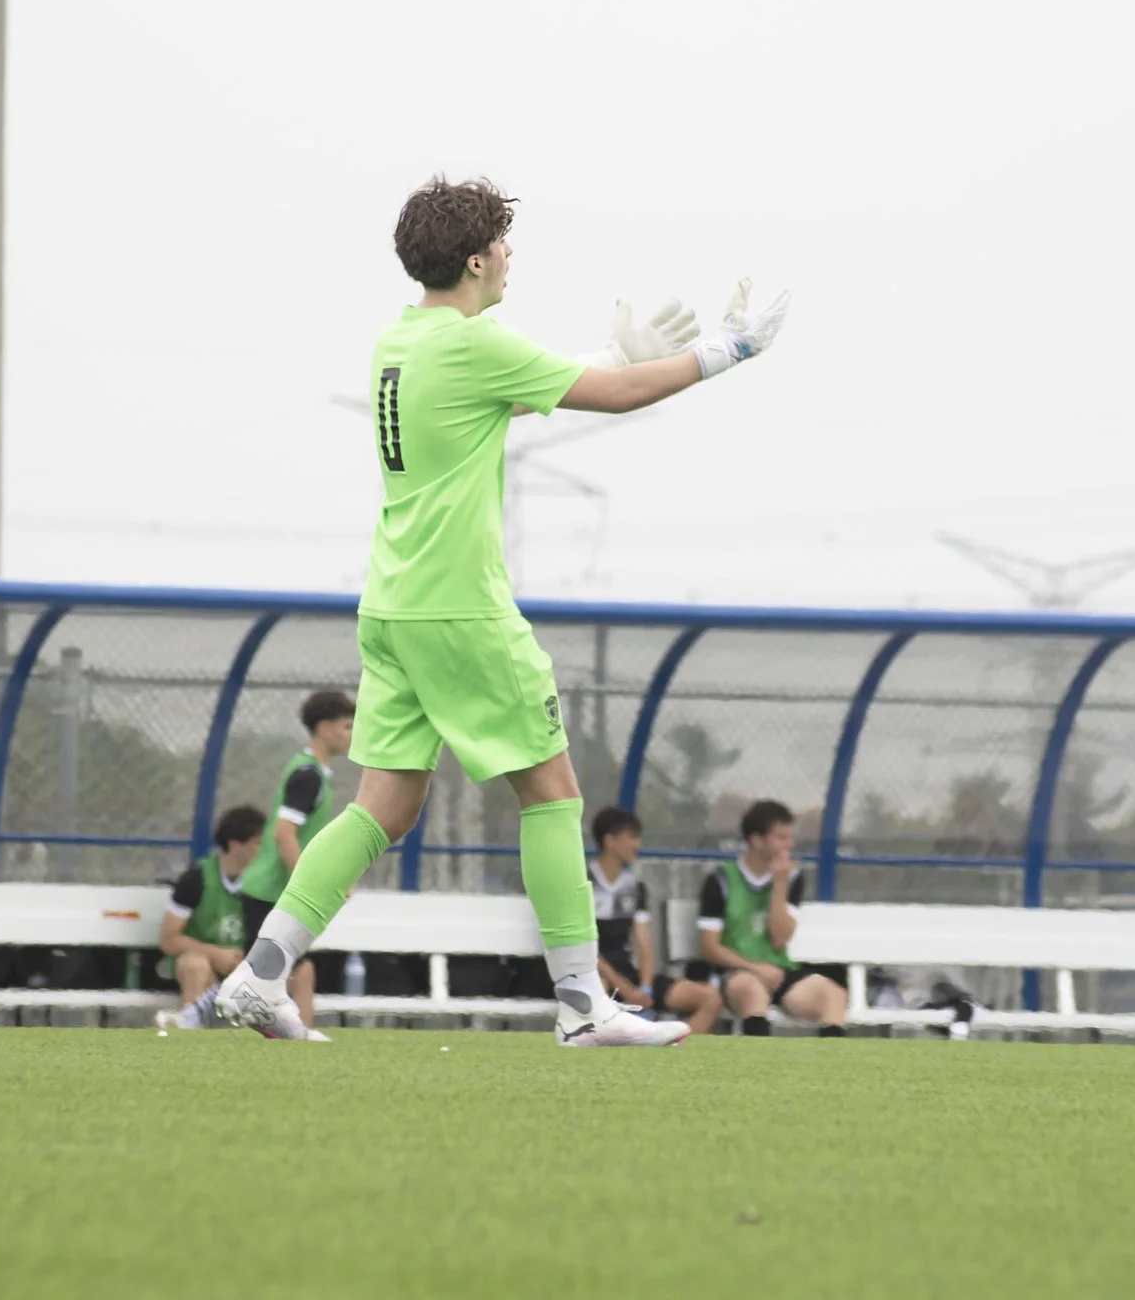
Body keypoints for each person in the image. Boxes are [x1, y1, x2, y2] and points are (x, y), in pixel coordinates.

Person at [218, 173, 789, 1047]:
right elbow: (616, 396)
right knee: (552, 792)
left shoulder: (400, 342)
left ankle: (259, 978)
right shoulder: (472, 345)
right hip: (460, 610)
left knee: (382, 808)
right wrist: (728, 351)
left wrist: (608, 348)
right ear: (479, 258)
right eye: (506, 245)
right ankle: (580, 1005)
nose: (513, 257)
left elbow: (514, 394)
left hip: (395, 605)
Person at [182, 690, 355, 1040]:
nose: (353, 734)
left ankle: (288, 1031)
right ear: (323, 728)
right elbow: (283, 834)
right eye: (347, 726)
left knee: (279, 967)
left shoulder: (315, 774)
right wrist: (310, 883)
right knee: (264, 968)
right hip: (270, 889)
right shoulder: (307, 776)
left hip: (272, 888)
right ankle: (193, 1016)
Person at [698, 799, 850, 1037]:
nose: (789, 845)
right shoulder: (720, 880)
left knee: (834, 995)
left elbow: (779, 939)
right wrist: (755, 968)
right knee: (752, 991)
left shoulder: (791, 879)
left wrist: (779, 885)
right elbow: (710, 948)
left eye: (789, 837)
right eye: (781, 838)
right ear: (756, 840)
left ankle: (831, 1067)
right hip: (738, 972)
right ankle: (758, 1067)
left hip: (780, 971)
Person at [589, 807, 721, 1036]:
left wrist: (645, 987)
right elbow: (584, 948)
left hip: (629, 976)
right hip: (593, 973)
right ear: (610, 840)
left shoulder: (635, 887)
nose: (637, 845)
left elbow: (644, 945)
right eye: (631, 837)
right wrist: (627, 990)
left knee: (709, 998)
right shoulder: (582, 883)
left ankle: (676, 1056)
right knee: (599, 988)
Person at [153, 804, 264, 1033]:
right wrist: (215, 953)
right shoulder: (196, 880)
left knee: (302, 972)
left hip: (241, 964)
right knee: (196, 965)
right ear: (235, 846)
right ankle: (189, 1044)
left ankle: (297, 1043)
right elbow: (169, 939)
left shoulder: (262, 884)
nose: (264, 851)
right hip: (200, 960)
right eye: (258, 843)